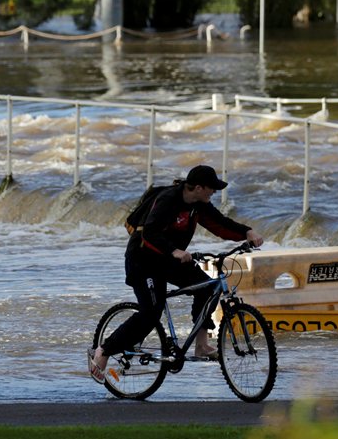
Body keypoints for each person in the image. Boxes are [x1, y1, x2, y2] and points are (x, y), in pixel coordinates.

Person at [88, 164, 264, 382]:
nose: (215, 193)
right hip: (143, 261)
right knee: (150, 314)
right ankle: (103, 351)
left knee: (209, 287)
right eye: (212, 188)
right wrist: (174, 250)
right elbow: (149, 234)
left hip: (169, 260)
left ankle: (201, 345)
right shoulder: (168, 200)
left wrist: (247, 232)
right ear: (198, 187)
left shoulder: (199, 205)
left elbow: (220, 225)